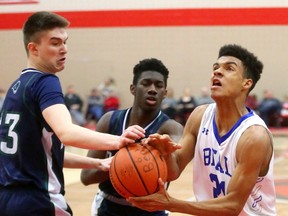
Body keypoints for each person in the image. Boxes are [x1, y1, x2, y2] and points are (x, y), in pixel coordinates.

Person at [0, 11, 145, 216]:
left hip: (7, 200)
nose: (64, 49)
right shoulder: (45, 82)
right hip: (38, 201)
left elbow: (45, 154)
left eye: (65, 42)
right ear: (33, 48)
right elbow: (67, 133)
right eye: (55, 43)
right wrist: (118, 141)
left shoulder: (17, 88)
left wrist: (98, 163)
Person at [128, 44, 276, 215]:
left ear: (246, 83)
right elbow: (174, 170)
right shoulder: (200, 116)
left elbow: (232, 206)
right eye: (215, 68)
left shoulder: (254, 136)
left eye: (229, 69)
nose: (217, 72)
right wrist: (166, 153)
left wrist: (170, 203)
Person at [81, 58, 183, 216]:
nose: (152, 89)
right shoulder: (109, 120)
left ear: (165, 93)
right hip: (109, 207)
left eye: (158, 85)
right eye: (146, 83)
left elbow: (173, 174)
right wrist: (123, 164)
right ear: (133, 89)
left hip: (151, 210)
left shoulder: (171, 128)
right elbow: (86, 177)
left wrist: (165, 152)